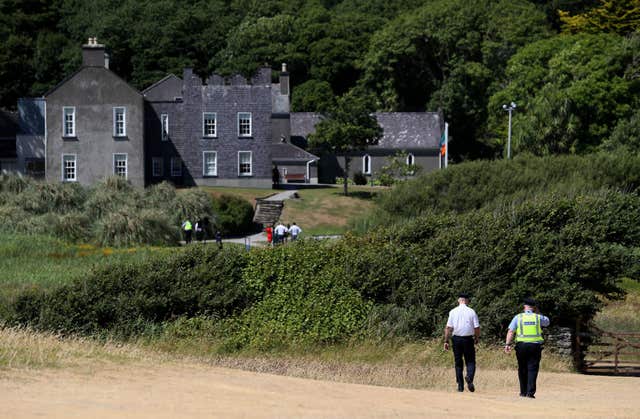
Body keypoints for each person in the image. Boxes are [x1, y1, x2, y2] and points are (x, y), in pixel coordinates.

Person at [504, 297, 550, 399]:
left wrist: (507, 344)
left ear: (524, 306)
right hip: (535, 346)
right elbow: (547, 322)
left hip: (521, 346)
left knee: (522, 368)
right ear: (534, 307)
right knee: (533, 369)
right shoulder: (538, 317)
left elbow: (511, 331)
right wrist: (538, 312)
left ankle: (523, 392)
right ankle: (530, 393)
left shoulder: (518, 317)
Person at [443, 293, 480, 392]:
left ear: (459, 300)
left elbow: (448, 328)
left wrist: (446, 341)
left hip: (456, 339)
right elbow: (476, 328)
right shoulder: (472, 312)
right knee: (470, 361)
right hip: (468, 339)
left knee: (458, 362)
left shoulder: (453, 312)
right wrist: (476, 338)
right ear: (467, 301)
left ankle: (460, 386)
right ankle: (469, 377)